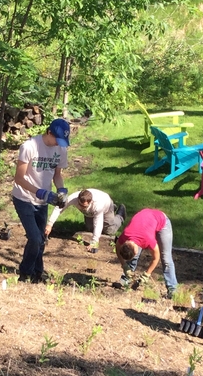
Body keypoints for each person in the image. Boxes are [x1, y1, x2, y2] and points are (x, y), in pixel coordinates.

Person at [11, 118, 70, 282]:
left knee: (41, 240)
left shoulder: (61, 149)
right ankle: (25, 273)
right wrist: (41, 192)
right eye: (56, 140)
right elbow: (19, 178)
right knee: (35, 238)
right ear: (49, 132)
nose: (58, 144)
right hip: (24, 198)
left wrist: (61, 190)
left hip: (42, 202)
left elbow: (57, 175)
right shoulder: (29, 147)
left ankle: (37, 274)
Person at [113, 208, 177, 296]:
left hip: (162, 222)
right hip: (145, 221)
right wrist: (124, 266)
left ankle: (172, 289)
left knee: (166, 258)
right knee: (132, 256)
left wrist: (147, 274)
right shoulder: (125, 235)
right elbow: (117, 248)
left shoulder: (148, 239)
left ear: (136, 250)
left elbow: (156, 258)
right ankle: (126, 279)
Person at [44, 188, 126, 252]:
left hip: (106, 205)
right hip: (91, 213)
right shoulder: (73, 198)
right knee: (90, 229)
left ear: (91, 202)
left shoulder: (98, 205)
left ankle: (120, 215)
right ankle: (112, 209)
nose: (82, 208)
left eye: (85, 206)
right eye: (81, 205)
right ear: (78, 199)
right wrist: (50, 224)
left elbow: (98, 223)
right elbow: (59, 208)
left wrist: (94, 242)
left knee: (109, 230)